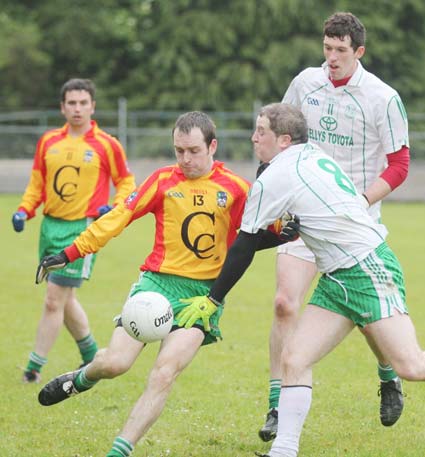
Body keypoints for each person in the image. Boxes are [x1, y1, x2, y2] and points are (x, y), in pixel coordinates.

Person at [175, 102, 425, 457]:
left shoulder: (276, 175)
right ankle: (283, 452)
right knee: (294, 357)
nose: (253, 137)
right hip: (338, 276)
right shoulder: (311, 155)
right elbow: (276, 233)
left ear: (284, 140)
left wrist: (212, 299)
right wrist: (285, 235)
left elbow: (244, 244)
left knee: (410, 365)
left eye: (262, 131)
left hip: (366, 268)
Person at [34, 111, 298, 457]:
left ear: (212, 146)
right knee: (115, 363)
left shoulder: (235, 189)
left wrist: (286, 227)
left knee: (164, 373)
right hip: (155, 286)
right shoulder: (161, 181)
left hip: (202, 296)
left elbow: (260, 230)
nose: (185, 160)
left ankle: (118, 452)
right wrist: (71, 252)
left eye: (192, 151)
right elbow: (118, 218)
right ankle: (83, 378)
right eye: (178, 151)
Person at [258, 11, 411, 441]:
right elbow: (282, 134)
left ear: (359, 52)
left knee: (365, 316)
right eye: (327, 49)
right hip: (304, 218)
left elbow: (399, 165)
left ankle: (388, 374)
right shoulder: (306, 82)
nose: (331, 59)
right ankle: (276, 404)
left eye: (340, 51)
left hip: (353, 226)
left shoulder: (382, 97)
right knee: (285, 303)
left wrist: (359, 202)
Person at [13, 78, 136, 383]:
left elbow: (126, 183)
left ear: (92, 106)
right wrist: (24, 210)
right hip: (50, 227)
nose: (77, 108)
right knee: (64, 299)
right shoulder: (49, 142)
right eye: (72, 103)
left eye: (83, 103)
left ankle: (33, 368)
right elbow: (37, 185)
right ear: (62, 107)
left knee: (54, 298)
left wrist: (115, 207)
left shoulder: (107, 144)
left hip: (82, 230)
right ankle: (91, 354)